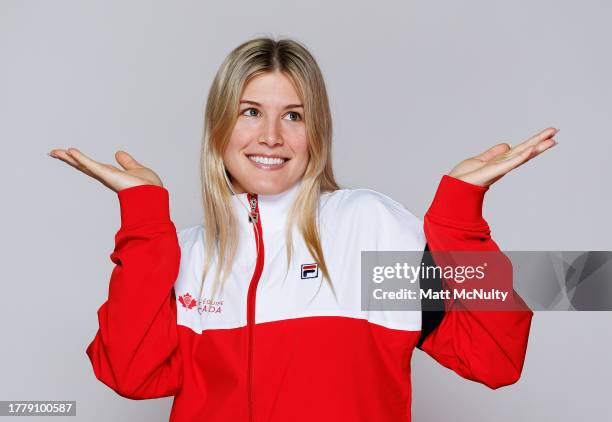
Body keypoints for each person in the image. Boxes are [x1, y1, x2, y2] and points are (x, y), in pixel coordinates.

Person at [49, 36, 556, 422]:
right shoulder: (185, 256)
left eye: (294, 115)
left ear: (317, 133)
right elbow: (129, 374)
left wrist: (458, 217)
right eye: (250, 112)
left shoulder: (365, 231)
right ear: (219, 129)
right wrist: (142, 219)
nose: (271, 136)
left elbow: (495, 358)